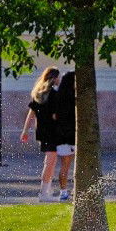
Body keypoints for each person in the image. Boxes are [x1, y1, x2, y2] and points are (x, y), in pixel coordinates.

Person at [20, 66, 62, 200]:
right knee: (50, 162)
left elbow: (30, 114)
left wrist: (25, 131)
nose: (60, 79)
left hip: (42, 131)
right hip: (53, 132)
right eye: (58, 77)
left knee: (50, 161)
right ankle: (44, 193)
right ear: (54, 78)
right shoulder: (54, 95)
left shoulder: (38, 94)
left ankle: (47, 190)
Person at [52, 71, 77, 200]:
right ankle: (68, 190)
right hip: (70, 135)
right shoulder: (73, 99)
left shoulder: (58, 97)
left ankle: (63, 191)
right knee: (70, 165)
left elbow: (55, 116)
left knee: (65, 166)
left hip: (61, 135)